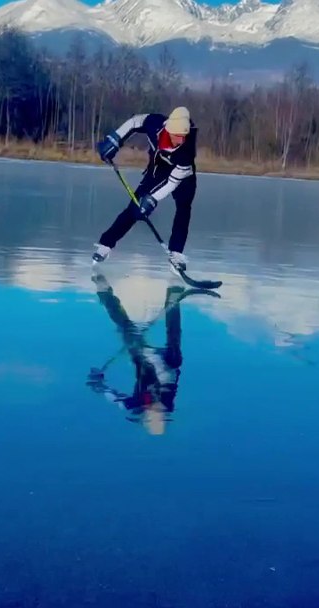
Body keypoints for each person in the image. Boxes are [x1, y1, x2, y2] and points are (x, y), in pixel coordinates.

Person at [85, 272, 216, 435]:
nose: (159, 412)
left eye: (155, 417)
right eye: (161, 416)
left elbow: (111, 395)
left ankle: (104, 292)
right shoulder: (166, 402)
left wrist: (97, 384)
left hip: (144, 358)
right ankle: (173, 293)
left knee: (126, 327)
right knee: (174, 357)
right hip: (166, 361)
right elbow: (162, 378)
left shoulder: (133, 404)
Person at [91, 106, 196, 277]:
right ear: (168, 130)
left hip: (182, 175)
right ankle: (105, 245)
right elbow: (135, 122)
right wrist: (115, 139)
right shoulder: (155, 124)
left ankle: (176, 254)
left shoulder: (187, 151)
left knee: (184, 207)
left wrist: (152, 200)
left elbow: (172, 182)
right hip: (157, 168)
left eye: (184, 136)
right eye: (178, 136)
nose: (181, 140)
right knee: (135, 207)